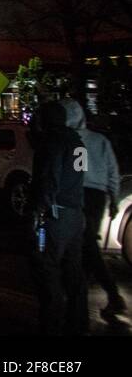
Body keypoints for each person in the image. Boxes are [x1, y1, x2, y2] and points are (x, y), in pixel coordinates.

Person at [29, 99, 87, 335]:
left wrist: (40, 210)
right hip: (75, 214)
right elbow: (79, 176)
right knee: (74, 272)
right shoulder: (77, 142)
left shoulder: (52, 143)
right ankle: (79, 323)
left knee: (47, 268)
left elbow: (50, 177)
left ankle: (50, 325)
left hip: (55, 215)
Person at [64, 98, 125, 320]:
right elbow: (113, 171)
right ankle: (82, 288)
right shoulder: (101, 140)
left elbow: (74, 171)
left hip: (79, 194)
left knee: (85, 245)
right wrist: (114, 199)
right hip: (97, 196)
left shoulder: (70, 141)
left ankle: (112, 295)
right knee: (85, 243)